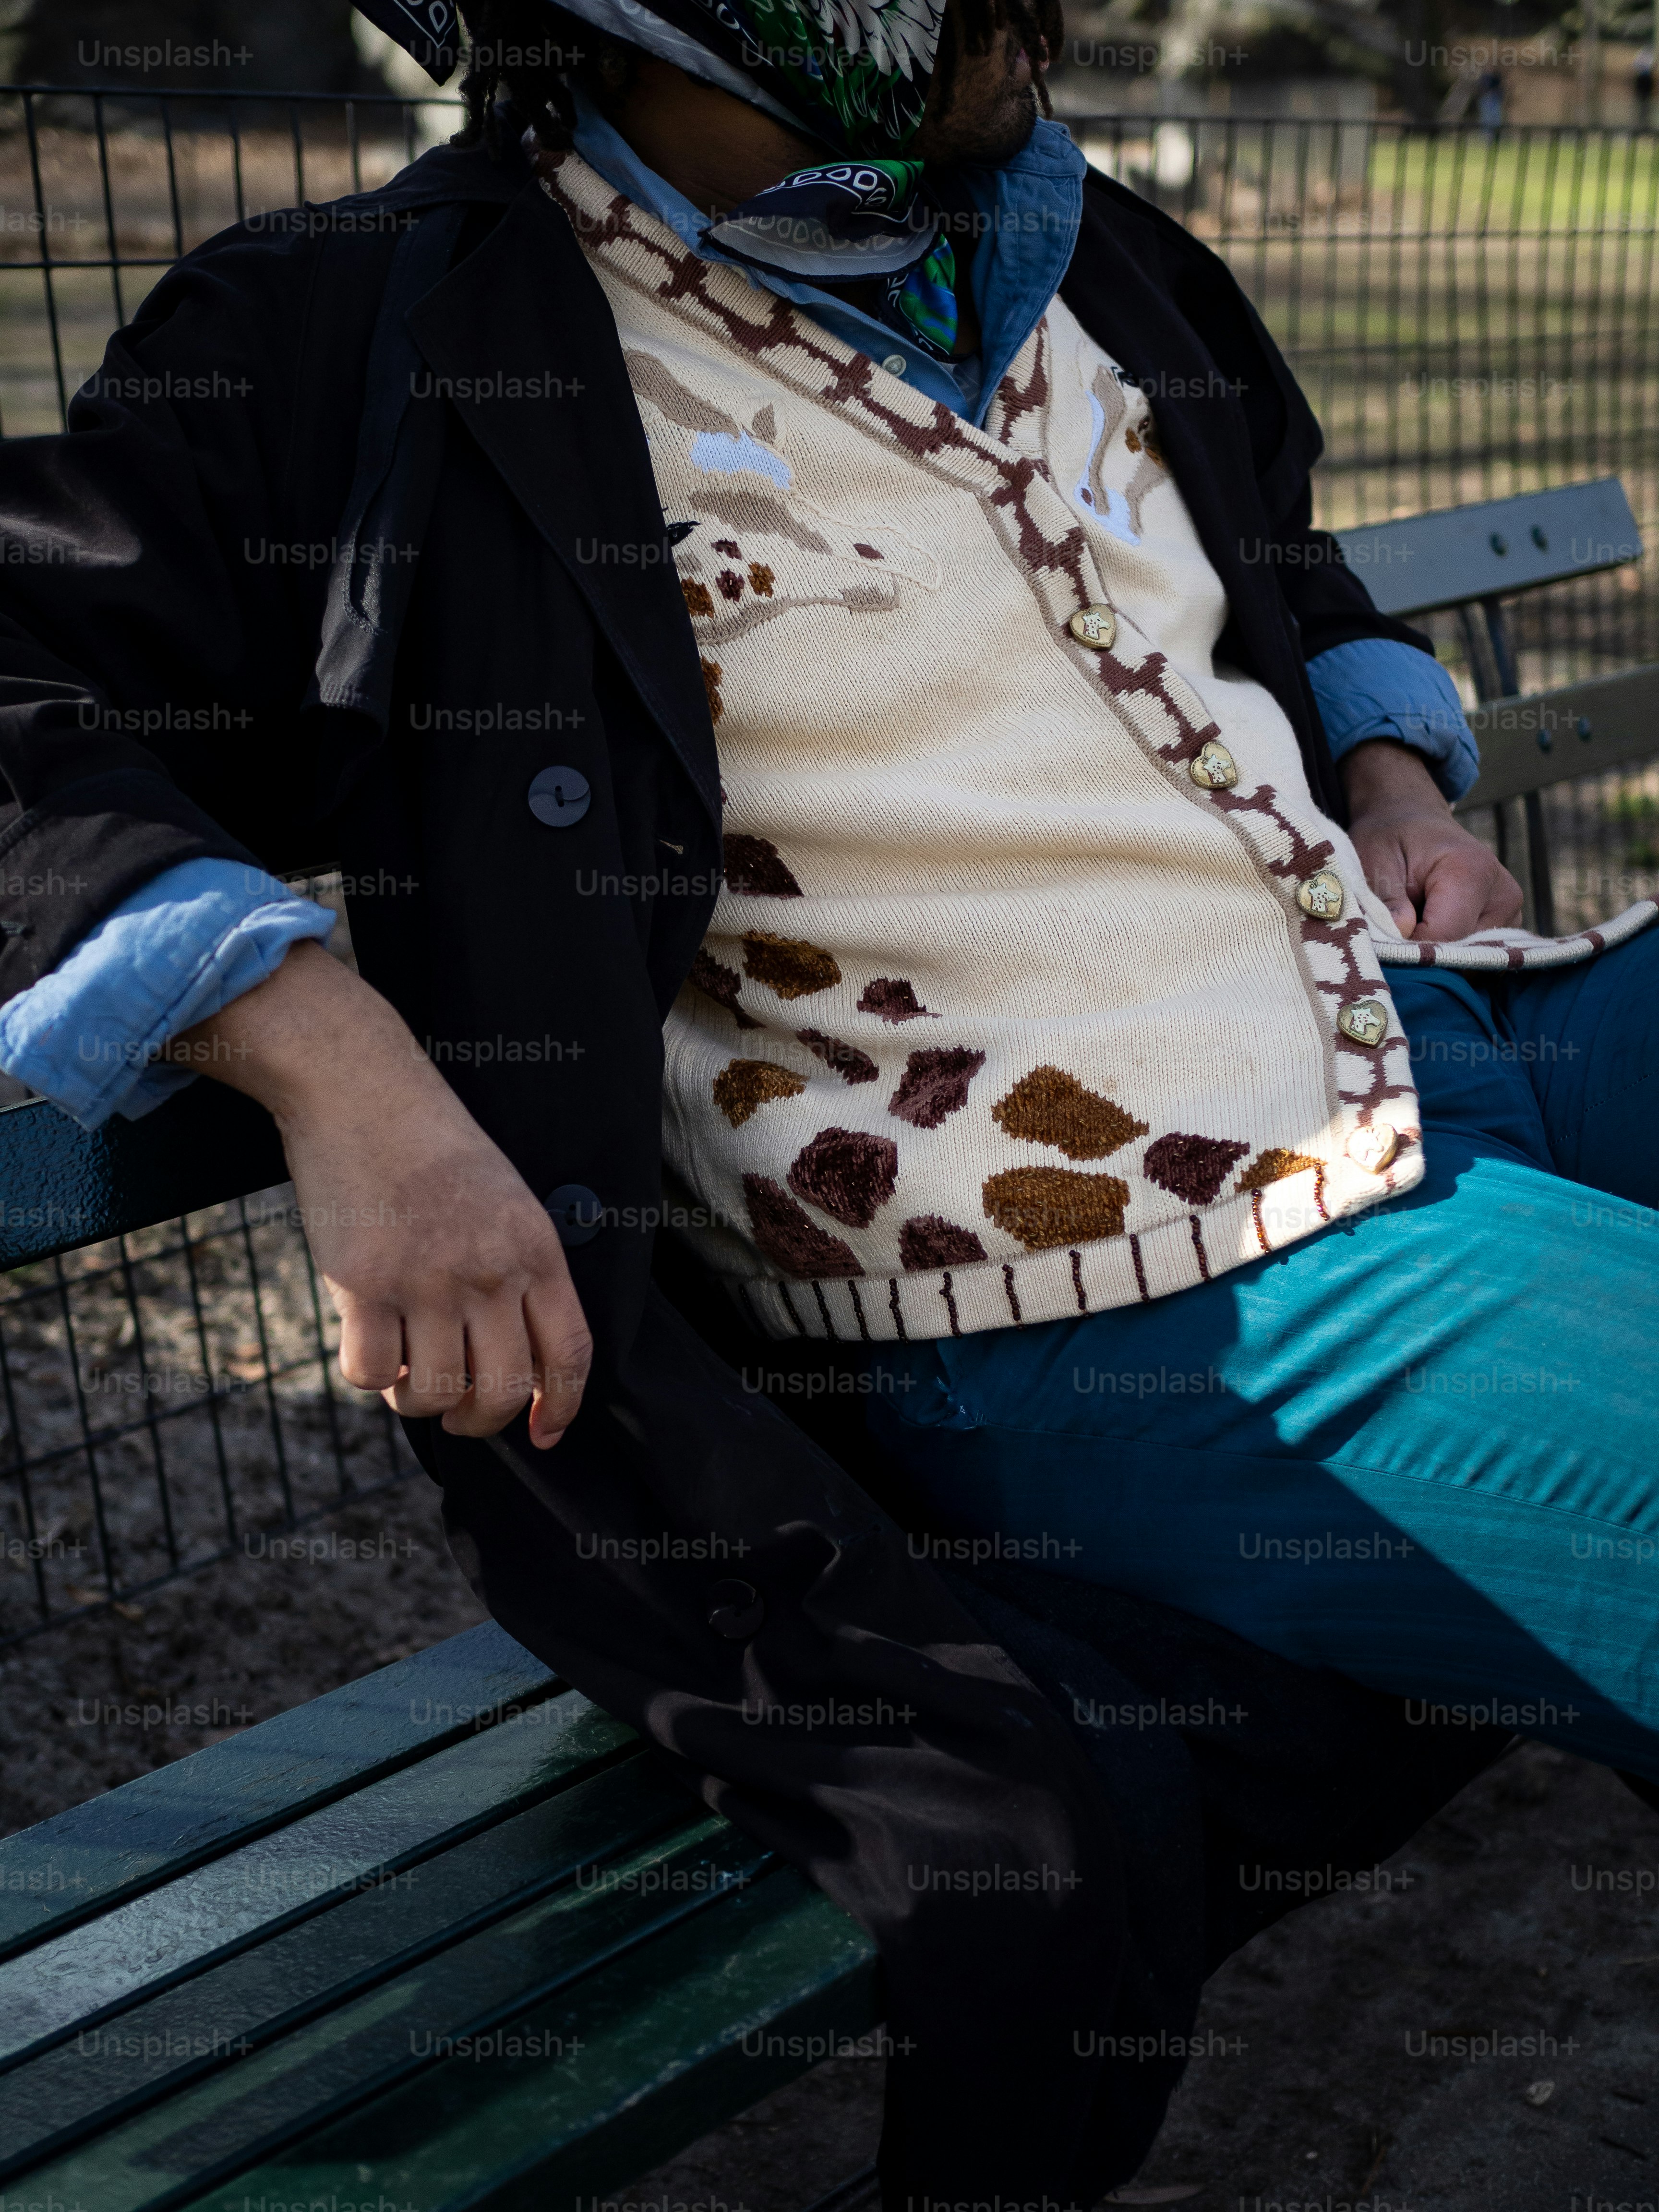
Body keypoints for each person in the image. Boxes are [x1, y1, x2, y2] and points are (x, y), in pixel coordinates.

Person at [0, 0, 1647, 2190]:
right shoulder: (370, 337)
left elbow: (1280, 558)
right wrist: (332, 1058)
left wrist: (1382, 770)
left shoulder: (1081, 250)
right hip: (1117, 1270)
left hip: (1440, 1030)